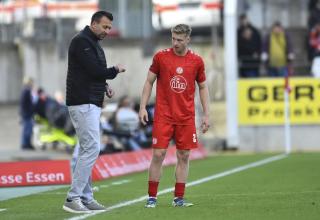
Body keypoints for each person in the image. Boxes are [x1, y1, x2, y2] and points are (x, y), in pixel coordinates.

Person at [138, 24, 210, 208]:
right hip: (164, 115)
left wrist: (206, 115)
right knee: (159, 154)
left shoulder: (197, 61)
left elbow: (203, 87)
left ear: (188, 39)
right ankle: (152, 197)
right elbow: (148, 82)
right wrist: (143, 106)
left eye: (179, 39)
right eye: (173, 39)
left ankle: (178, 198)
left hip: (186, 116)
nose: (175, 43)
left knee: (184, 155)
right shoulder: (161, 57)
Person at [63, 10, 125, 213]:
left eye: (109, 27)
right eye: (105, 27)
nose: (107, 31)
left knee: (86, 149)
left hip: (90, 102)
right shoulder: (81, 42)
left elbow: (93, 73)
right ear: (94, 24)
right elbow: (94, 71)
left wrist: (105, 85)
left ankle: (86, 197)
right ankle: (73, 197)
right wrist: (114, 70)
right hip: (82, 102)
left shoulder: (93, 44)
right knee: (92, 149)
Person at [19, 76, 36, 150]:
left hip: (26, 113)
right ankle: (26, 144)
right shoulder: (26, 90)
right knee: (27, 129)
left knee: (27, 128)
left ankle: (26, 143)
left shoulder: (26, 90)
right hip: (27, 113)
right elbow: (24, 103)